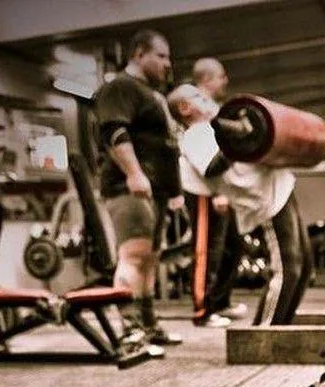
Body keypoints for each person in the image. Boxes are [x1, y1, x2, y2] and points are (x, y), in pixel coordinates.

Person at [167, 83, 313, 326]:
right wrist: (237, 140)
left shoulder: (224, 125)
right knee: (288, 269)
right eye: (196, 96)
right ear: (185, 108)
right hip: (264, 201)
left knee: (304, 264)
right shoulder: (196, 134)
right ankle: (265, 332)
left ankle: (283, 325)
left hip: (281, 186)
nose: (205, 97)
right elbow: (212, 168)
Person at [92, 27, 184, 348]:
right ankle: (130, 330)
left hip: (155, 192)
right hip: (128, 188)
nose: (166, 64)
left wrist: (174, 192)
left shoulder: (153, 95)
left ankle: (149, 325)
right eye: (160, 56)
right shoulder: (120, 87)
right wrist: (133, 173)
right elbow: (114, 131)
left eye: (168, 57)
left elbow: (167, 147)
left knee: (150, 260)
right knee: (133, 256)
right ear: (139, 54)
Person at [184, 56, 247, 328]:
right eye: (205, 102)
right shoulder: (195, 131)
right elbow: (209, 168)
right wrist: (218, 192)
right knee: (206, 253)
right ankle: (203, 311)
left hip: (221, 195)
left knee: (233, 247)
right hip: (203, 196)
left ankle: (220, 302)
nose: (212, 107)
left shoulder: (210, 126)